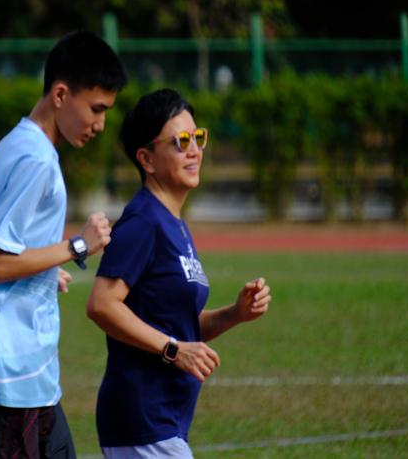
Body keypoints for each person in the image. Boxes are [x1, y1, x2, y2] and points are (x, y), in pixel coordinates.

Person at [0, 30, 128, 459]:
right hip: (15, 379)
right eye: (96, 109)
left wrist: (42, 267)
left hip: (31, 376)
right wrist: (77, 246)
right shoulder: (35, 160)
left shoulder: (13, 146)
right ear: (60, 95)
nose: (100, 124)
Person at [86, 89, 272, 459]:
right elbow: (102, 305)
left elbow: (176, 322)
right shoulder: (143, 221)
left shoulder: (172, 224)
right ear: (146, 159)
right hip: (142, 419)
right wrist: (173, 350)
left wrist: (235, 313)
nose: (194, 150)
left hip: (164, 420)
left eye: (197, 138)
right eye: (180, 141)